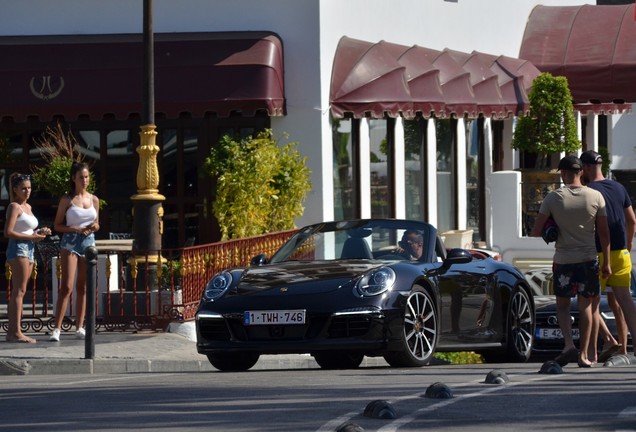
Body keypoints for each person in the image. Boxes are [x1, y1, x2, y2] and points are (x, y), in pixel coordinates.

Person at [531, 155, 611, 368]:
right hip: (588, 259)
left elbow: (536, 230)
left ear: (564, 174)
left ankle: (568, 344)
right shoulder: (596, 196)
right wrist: (607, 263)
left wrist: (552, 227)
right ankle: (584, 355)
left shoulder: (553, 198)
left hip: (563, 260)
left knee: (563, 305)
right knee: (586, 305)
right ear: (581, 172)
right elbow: (604, 234)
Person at [580, 149, 636, 361]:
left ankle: (592, 353)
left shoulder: (589, 191)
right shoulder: (619, 187)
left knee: (591, 302)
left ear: (585, 169)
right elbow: (632, 221)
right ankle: (628, 347)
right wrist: (628, 244)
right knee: (625, 301)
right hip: (622, 252)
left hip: (598, 252)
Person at [49, 162, 100, 342]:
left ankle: (79, 326)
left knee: (83, 286)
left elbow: (97, 223)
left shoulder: (94, 199)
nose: (84, 180)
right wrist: (75, 229)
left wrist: (93, 226)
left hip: (88, 241)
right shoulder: (67, 199)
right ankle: (57, 328)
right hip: (70, 241)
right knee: (67, 286)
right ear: (74, 179)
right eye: (81, 177)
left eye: (86, 177)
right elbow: (57, 225)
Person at [4, 173, 51, 343]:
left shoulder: (28, 207)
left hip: (29, 248)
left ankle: (13, 332)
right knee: (19, 290)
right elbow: (8, 232)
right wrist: (32, 238)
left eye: (29, 188)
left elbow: (26, 229)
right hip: (19, 248)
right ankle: (15, 332)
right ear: (15, 189)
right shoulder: (14, 206)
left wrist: (39, 233)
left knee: (22, 291)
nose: (27, 191)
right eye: (23, 188)